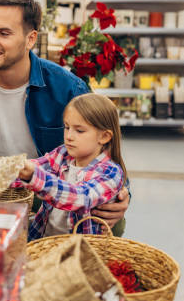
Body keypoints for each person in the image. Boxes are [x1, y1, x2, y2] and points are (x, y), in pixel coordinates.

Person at [0, 0, 129, 231]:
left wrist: (123, 192)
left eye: (4, 33)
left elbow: (106, 150)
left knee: (113, 220)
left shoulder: (68, 87)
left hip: (45, 185)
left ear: (30, 39)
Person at [18, 93, 126, 240]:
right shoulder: (62, 154)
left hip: (80, 252)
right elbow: (35, 166)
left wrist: (34, 176)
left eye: (79, 130)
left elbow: (81, 198)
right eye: (67, 127)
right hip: (43, 241)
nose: (69, 136)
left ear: (104, 137)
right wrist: (10, 172)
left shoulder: (111, 173)